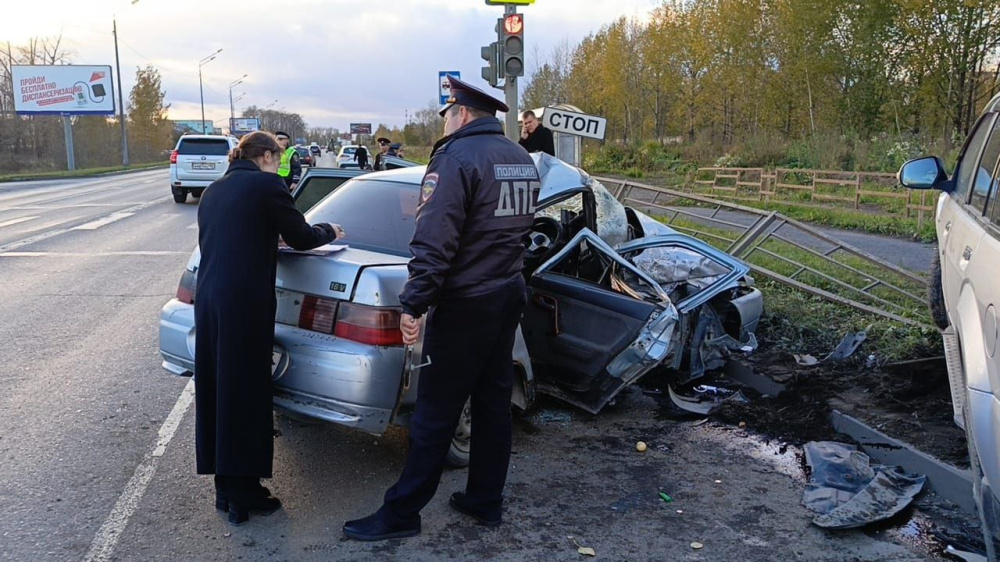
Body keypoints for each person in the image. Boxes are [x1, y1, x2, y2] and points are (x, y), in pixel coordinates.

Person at [343, 75, 537, 541]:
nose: (446, 121)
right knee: (492, 402)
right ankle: (485, 499)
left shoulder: (455, 159)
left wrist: (413, 304)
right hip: (506, 292)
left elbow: (434, 241)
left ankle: (401, 514)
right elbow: (522, 229)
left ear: (463, 113)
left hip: (466, 302)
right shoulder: (520, 157)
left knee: (434, 410)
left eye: (448, 113)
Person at [195, 131, 345, 526]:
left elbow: (232, 237)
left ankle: (225, 488)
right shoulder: (266, 185)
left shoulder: (215, 190)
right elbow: (302, 236)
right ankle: (246, 495)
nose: (279, 165)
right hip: (243, 303)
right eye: (276, 158)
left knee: (219, 390)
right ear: (264, 156)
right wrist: (330, 231)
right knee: (246, 392)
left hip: (209, 299)